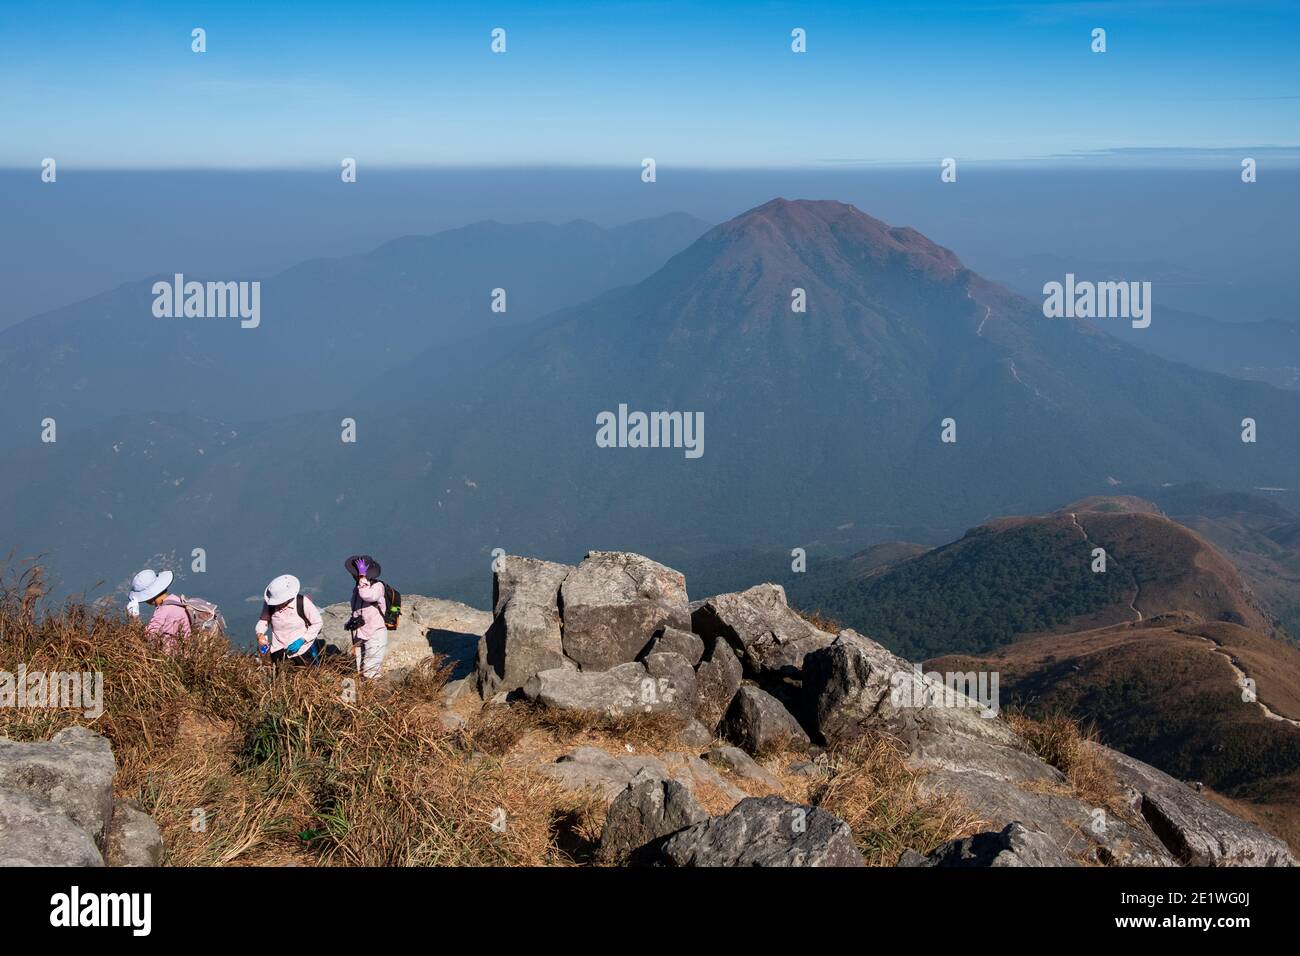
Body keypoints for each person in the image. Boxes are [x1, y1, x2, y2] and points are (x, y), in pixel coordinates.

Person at [255, 574, 322, 665]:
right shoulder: (270, 605)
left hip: (302, 650)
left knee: (306, 675)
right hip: (278, 651)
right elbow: (264, 621)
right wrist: (260, 634)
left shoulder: (302, 602)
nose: (277, 604)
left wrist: (302, 640)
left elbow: (317, 623)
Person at [344, 554, 388, 679]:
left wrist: (362, 576)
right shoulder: (358, 587)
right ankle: (362, 694)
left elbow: (367, 596)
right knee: (359, 667)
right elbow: (358, 608)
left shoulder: (377, 587)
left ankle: (372, 695)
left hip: (375, 633)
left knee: (371, 670)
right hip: (361, 632)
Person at [127, 568, 190, 652]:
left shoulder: (163, 610)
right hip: (187, 653)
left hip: (173, 659)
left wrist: (134, 618)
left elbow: (148, 637)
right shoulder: (178, 600)